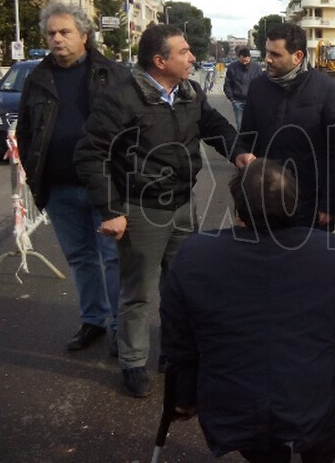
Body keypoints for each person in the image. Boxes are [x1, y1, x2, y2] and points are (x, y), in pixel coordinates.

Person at [74, 24, 254, 398]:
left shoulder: (188, 91)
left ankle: (172, 354)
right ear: (160, 61)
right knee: (137, 292)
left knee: (180, 286)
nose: (192, 57)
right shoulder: (122, 99)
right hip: (140, 209)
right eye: (184, 52)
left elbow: (213, 125)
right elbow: (92, 155)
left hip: (183, 205)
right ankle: (133, 362)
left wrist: (237, 151)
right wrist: (110, 210)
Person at [161, 158, 335, 463]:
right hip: (312, 402)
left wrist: (184, 396)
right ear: (295, 205)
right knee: (320, 442)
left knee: (264, 448)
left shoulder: (196, 254)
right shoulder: (333, 253)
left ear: (238, 211)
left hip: (233, 406)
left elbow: (179, 340)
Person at [16, 3, 130, 354]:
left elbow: (132, 130)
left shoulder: (113, 74)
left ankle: (119, 329)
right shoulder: (37, 79)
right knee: (81, 258)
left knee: (114, 259)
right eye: (51, 33)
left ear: (84, 35)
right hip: (60, 188)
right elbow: (26, 134)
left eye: (64, 32)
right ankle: (93, 320)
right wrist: (40, 183)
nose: (56, 39)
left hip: (106, 187)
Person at [239, 23, 335, 231]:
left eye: (275, 54)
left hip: (310, 203)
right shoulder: (258, 87)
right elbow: (247, 140)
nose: (267, 59)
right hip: (265, 202)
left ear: (298, 56)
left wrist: (329, 203)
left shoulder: (328, 90)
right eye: (266, 52)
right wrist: (242, 200)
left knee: (307, 262)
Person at [223, 47, 262, 127]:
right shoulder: (232, 67)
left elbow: (261, 84)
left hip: (252, 101)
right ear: (239, 58)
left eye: (246, 61)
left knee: (253, 123)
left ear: (250, 58)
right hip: (237, 100)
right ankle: (240, 139)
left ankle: (252, 138)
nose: (244, 63)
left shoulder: (256, 68)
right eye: (242, 61)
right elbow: (227, 83)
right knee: (240, 123)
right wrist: (231, 97)